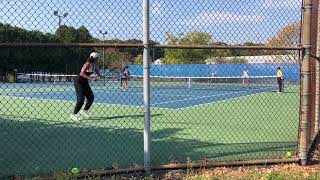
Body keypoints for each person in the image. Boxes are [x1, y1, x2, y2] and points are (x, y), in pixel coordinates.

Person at [70, 52, 101, 121]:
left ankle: (84, 110)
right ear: (95, 58)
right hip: (79, 82)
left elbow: (96, 70)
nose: (98, 59)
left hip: (85, 82)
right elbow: (81, 74)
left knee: (91, 97)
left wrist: (99, 75)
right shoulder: (87, 64)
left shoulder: (95, 64)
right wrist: (91, 78)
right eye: (97, 58)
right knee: (81, 100)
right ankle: (73, 114)